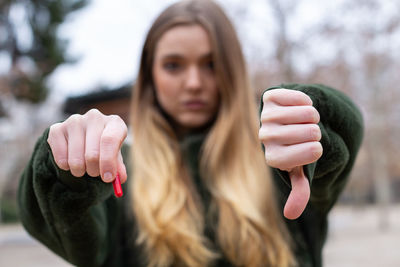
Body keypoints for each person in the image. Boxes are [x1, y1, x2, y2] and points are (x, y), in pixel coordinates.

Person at [17, 0, 363, 266]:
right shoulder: (115, 175)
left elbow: (342, 131)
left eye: (211, 64)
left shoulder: (282, 167)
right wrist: (65, 168)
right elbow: (68, 230)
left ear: (233, 71)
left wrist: (305, 119)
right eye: (173, 65)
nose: (194, 83)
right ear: (150, 76)